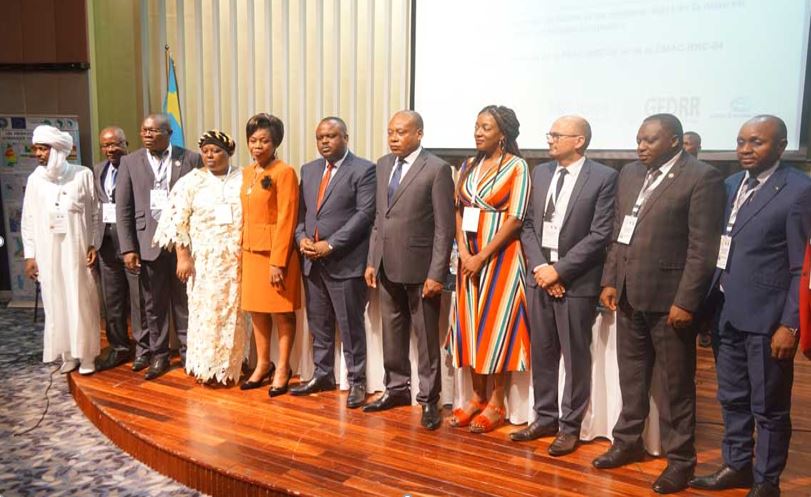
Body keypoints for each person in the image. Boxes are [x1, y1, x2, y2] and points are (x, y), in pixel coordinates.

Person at [595, 114, 725, 494]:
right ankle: (628, 441)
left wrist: (687, 301)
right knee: (631, 377)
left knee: (674, 387)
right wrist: (609, 279)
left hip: (671, 303)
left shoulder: (701, 177)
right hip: (630, 295)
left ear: (674, 140)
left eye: (650, 140)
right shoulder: (631, 174)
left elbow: (703, 249)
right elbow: (621, 233)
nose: (641, 146)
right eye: (638, 139)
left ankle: (681, 461)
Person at [690, 116, 811, 497]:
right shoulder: (729, 185)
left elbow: (802, 267)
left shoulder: (799, 190)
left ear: (781, 146)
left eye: (756, 142)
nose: (745, 149)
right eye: (741, 141)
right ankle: (737, 465)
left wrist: (790, 324)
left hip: (767, 318)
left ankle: (766, 482)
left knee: (769, 407)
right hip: (726, 311)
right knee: (732, 398)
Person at [513, 116, 617, 454]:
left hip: (577, 281)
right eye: (550, 134)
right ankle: (544, 416)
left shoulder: (603, 177)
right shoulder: (540, 172)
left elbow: (600, 234)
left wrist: (560, 272)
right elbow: (527, 225)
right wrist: (543, 268)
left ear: (580, 141)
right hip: (539, 277)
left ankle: (570, 425)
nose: (550, 140)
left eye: (557, 135)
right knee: (543, 352)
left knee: (574, 356)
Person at [363, 110, 454, 430]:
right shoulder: (384, 164)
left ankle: (430, 400)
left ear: (419, 134)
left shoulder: (438, 169)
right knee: (392, 331)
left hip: (421, 268)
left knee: (426, 338)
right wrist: (373, 261)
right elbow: (379, 218)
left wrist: (437, 274)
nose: (393, 138)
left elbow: (445, 228)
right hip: (387, 264)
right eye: (390, 132)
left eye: (400, 132)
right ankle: (397, 388)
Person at [446, 105, 530, 433]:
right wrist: (466, 252)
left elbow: (515, 218)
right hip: (467, 259)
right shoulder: (468, 165)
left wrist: (483, 255)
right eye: (477, 126)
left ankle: (497, 402)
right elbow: (458, 211)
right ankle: (476, 397)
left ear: (502, 135)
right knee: (468, 327)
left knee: (497, 328)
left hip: (501, 257)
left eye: (486, 127)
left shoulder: (517, 166)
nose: (478, 132)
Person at [291, 117, 375, 408]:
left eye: (331, 136)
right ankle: (323, 374)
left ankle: (357, 381)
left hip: (344, 261)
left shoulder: (364, 170)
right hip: (312, 262)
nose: (325, 142)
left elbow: (364, 216)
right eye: (320, 137)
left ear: (345, 137)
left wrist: (331, 244)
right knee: (319, 324)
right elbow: (302, 213)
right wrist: (301, 238)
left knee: (350, 327)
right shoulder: (309, 169)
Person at [154, 130, 246, 384]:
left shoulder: (242, 178)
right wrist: (183, 257)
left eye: (216, 151)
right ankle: (207, 367)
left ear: (228, 153)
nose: (210, 156)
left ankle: (231, 367)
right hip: (204, 262)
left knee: (234, 314)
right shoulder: (190, 182)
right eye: (205, 152)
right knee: (206, 313)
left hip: (236, 261)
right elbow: (177, 223)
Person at [116, 113, 202, 380]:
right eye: (144, 131)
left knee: (185, 303)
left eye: (153, 131)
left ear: (168, 133)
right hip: (147, 243)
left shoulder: (190, 158)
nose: (147, 135)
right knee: (153, 305)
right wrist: (128, 248)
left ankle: (190, 354)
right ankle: (160, 356)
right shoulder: (130, 162)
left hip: (183, 246)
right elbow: (123, 208)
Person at [21, 125, 101, 375]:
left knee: (81, 299)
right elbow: (28, 218)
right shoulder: (35, 180)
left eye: (43, 148)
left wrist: (93, 244)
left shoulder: (82, 174)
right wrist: (30, 255)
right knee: (56, 299)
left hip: (77, 248)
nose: (38, 154)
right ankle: (67, 353)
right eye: (36, 149)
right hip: (48, 250)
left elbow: (96, 213)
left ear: (57, 150)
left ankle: (86, 355)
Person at [239, 113, 301, 397]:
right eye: (253, 140)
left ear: (275, 143)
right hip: (250, 252)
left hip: (276, 255)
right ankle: (263, 364)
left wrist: (278, 261)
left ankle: (283, 368)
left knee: (281, 313)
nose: (257, 146)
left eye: (264, 140)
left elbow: (287, 218)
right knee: (257, 311)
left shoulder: (284, 171)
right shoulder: (247, 172)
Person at [93, 126, 146, 372]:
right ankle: (119, 348)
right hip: (105, 245)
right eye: (105, 145)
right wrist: (92, 242)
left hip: (132, 246)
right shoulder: (97, 171)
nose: (110, 149)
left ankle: (143, 348)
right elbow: (94, 209)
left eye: (115, 144)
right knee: (111, 301)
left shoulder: (137, 167)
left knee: (138, 301)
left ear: (126, 144)